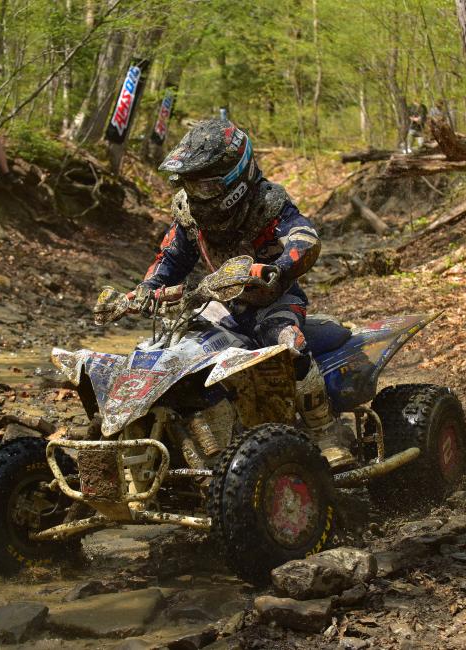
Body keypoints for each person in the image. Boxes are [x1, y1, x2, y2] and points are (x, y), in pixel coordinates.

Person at [131, 119, 355, 469]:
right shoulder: (189, 212)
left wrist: (279, 267)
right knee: (174, 352)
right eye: (188, 182)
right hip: (220, 302)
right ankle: (195, 442)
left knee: (288, 343)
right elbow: (171, 257)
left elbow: (304, 236)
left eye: (203, 184)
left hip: (273, 299)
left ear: (233, 177)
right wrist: (148, 288)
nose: (195, 192)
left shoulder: (267, 202)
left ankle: (325, 431)